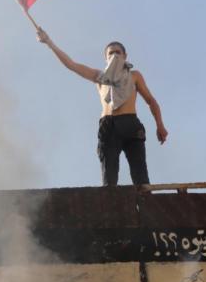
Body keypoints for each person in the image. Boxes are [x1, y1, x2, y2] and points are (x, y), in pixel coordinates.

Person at [36, 28, 168, 186]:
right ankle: (112, 208)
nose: (114, 56)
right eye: (110, 53)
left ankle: (146, 207)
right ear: (106, 58)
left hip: (130, 124)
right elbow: (71, 65)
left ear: (125, 56)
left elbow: (151, 101)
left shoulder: (134, 76)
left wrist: (160, 125)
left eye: (118, 52)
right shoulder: (99, 77)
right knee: (109, 177)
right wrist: (49, 43)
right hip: (109, 126)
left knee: (140, 175)